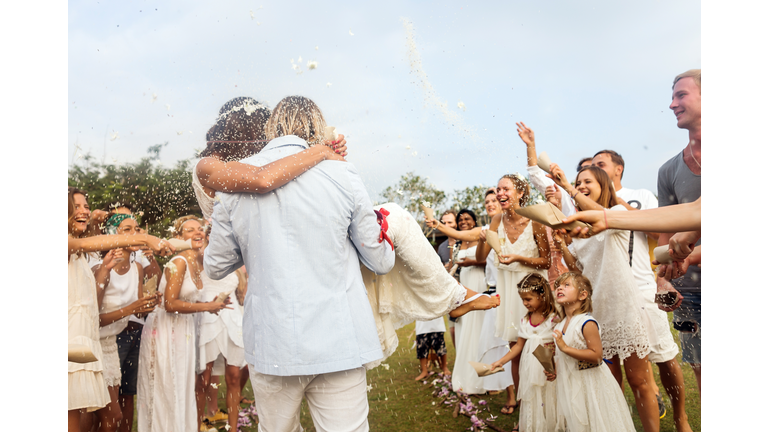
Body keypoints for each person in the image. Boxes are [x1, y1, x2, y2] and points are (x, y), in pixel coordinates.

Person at [204, 95, 398, 431]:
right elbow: (379, 260)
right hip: (339, 339)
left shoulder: (232, 182)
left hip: (272, 342)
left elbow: (216, 266)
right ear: (318, 127)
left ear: (269, 127)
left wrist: (251, 241)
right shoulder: (342, 173)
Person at [550, 166, 659, 432]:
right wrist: (563, 243)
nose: (581, 185)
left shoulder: (617, 214)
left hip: (623, 307)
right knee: (609, 382)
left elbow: (603, 215)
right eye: (578, 181)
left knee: (639, 381)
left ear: (604, 185)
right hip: (597, 311)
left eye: (588, 181)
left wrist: (568, 187)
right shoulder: (580, 228)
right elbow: (577, 268)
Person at [591, 150, 692, 429]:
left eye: (600, 164)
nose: (594, 169)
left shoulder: (642, 195)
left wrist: (619, 207)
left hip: (643, 288)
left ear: (618, 169)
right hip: (610, 297)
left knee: (665, 358)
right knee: (621, 365)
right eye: (591, 166)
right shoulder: (587, 208)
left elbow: (659, 232)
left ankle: (680, 416)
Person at [68, 187, 174, 432]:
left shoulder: (81, 256)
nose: (84, 210)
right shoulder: (68, 244)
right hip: (70, 341)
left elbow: (89, 305)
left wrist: (104, 271)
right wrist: (145, 238)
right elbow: (95, 241)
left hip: (85, 340)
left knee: (80, 410)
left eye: (86, 205)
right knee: (76, 415)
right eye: (78, 206)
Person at [136, 216, 230, 432]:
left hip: (183, 330)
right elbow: (169, 304)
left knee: (183, 386)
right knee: (168, 388)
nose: (198, 233)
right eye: (190, 231)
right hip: (165, 330)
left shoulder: (198, 264)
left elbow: (186, 301)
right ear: (178, 237)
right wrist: (206, 307)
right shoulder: (178, 262)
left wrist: (212, 304)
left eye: (200, 229)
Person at [475, 174, 552, 415]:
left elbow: (546, 260)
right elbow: (480, 258)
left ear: (520, 193)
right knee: (515, 351)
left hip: (534, 290)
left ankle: (548, 407)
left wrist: (518, 258)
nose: (500, 193)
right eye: (498, 189)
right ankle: (525, 411)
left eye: (505, 189)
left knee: (541, 349)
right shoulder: (496, 220)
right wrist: (481, 240)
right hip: (509, 292)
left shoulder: (534, 219)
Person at [88, 214, 161, 432]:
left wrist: (149, 303)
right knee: (100, 415)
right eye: (127, 229)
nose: (136, 233)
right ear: (112, 235)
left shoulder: (137, 268)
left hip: (112, 342)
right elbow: (92, 320)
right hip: (96, 346)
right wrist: (132, 309)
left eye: (137, 229)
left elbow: (138, 310)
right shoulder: (101, 269)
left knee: (112, 414)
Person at [657, 69, 702, 394]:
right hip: (690, 293)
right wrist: (662, 280)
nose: (672, 104)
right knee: (703, 373)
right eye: (672, 96)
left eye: (681, 95)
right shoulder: (668, 171)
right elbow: (663, 239)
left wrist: (692, 254)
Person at [547, 273, 636, 432]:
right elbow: (562, 357)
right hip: (571, 383)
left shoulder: (586, 323)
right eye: (558, 285)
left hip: (591, 384)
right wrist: (554, 370)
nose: (560, 287)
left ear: (583, 295)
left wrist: (565, 348)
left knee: (596, 421)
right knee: (577, 421)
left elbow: (596, 355)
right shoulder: (559, 326)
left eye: (567, 285)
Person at [449, 209, 513, 397]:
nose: (463, 221)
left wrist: (470, 263)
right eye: (460, 219)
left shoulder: (481, 235)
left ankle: (485, 378)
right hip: (464, 283)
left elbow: (486, 260)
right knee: (464, 330)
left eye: (467, 218)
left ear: (474, 221)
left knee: (480, 331)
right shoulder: (458, 244)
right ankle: (466, 376)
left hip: (481, 282)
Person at [490, 273, 558, 432]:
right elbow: (518, 346)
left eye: (528, 299)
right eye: (523, 299)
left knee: (549, 397)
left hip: (547, 368)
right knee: (532, 396)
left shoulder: (554, 319)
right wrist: (501, 361)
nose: (525, 303)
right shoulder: (525, 320)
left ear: (542, 296)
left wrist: (554, 367)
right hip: (528, 367)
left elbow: (559, 346)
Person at [196, 227, 249, 431]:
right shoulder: (202, 255)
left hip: (233, 319)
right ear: (209, 236)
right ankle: (200, 423)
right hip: (208, 317)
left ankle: (233, 427)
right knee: (204, 379)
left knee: (234, 376)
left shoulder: (236, 257)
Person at [516, 122, 576, 217]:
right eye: (580, 182)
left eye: (588, 181)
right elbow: (536, 176)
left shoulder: (608, 212)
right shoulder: (565, 196)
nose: (583, 186)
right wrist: (530, 145)